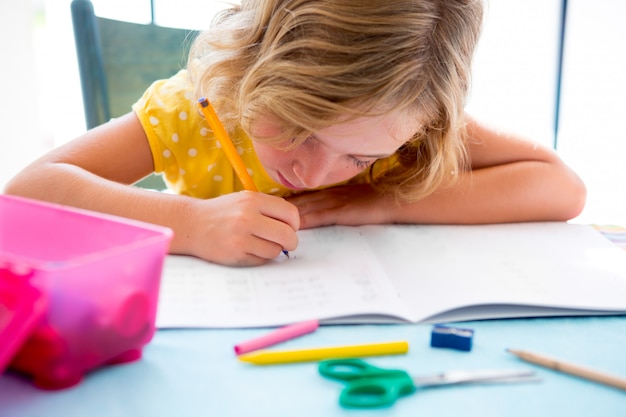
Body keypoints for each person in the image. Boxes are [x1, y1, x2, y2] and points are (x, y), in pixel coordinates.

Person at [4, 0, 585, 266]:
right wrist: (192, 224)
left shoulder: (405, 113)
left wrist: (377, 201)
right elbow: (25, 196)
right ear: (255, 67)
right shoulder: (199, 108)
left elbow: (561, 186)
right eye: (300, 128)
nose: (313, 174)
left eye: (358, 157)